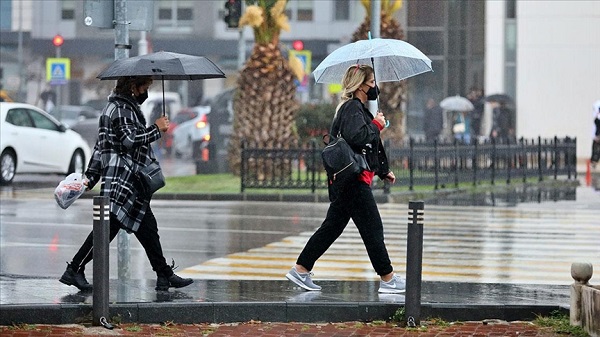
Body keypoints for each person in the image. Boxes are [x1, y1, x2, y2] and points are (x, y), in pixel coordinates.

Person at [59, 76, 193, 292]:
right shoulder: (120, 109)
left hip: (128, 183)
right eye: (145, 87)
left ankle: (163, 274)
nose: (146, 92)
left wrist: (90, 177)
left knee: (148, 228)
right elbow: (129, 140)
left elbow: (101, 147)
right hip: (123, 183)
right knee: (105, 232)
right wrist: (156, 129)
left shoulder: (118, 108)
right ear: (133, 87)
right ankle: (75, 268)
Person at [285, 64, 405, 294]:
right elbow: (358, 137)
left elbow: (369, 146)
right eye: (371, 84)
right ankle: (388, 278)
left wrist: (382, 170)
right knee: (372, 228)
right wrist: (376, 125)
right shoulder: (351, 107)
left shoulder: (357, 108)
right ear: (360, 85)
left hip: (350, 179)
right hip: (353, 180)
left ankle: (301, 269)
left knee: (331, 228)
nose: (374, 88)